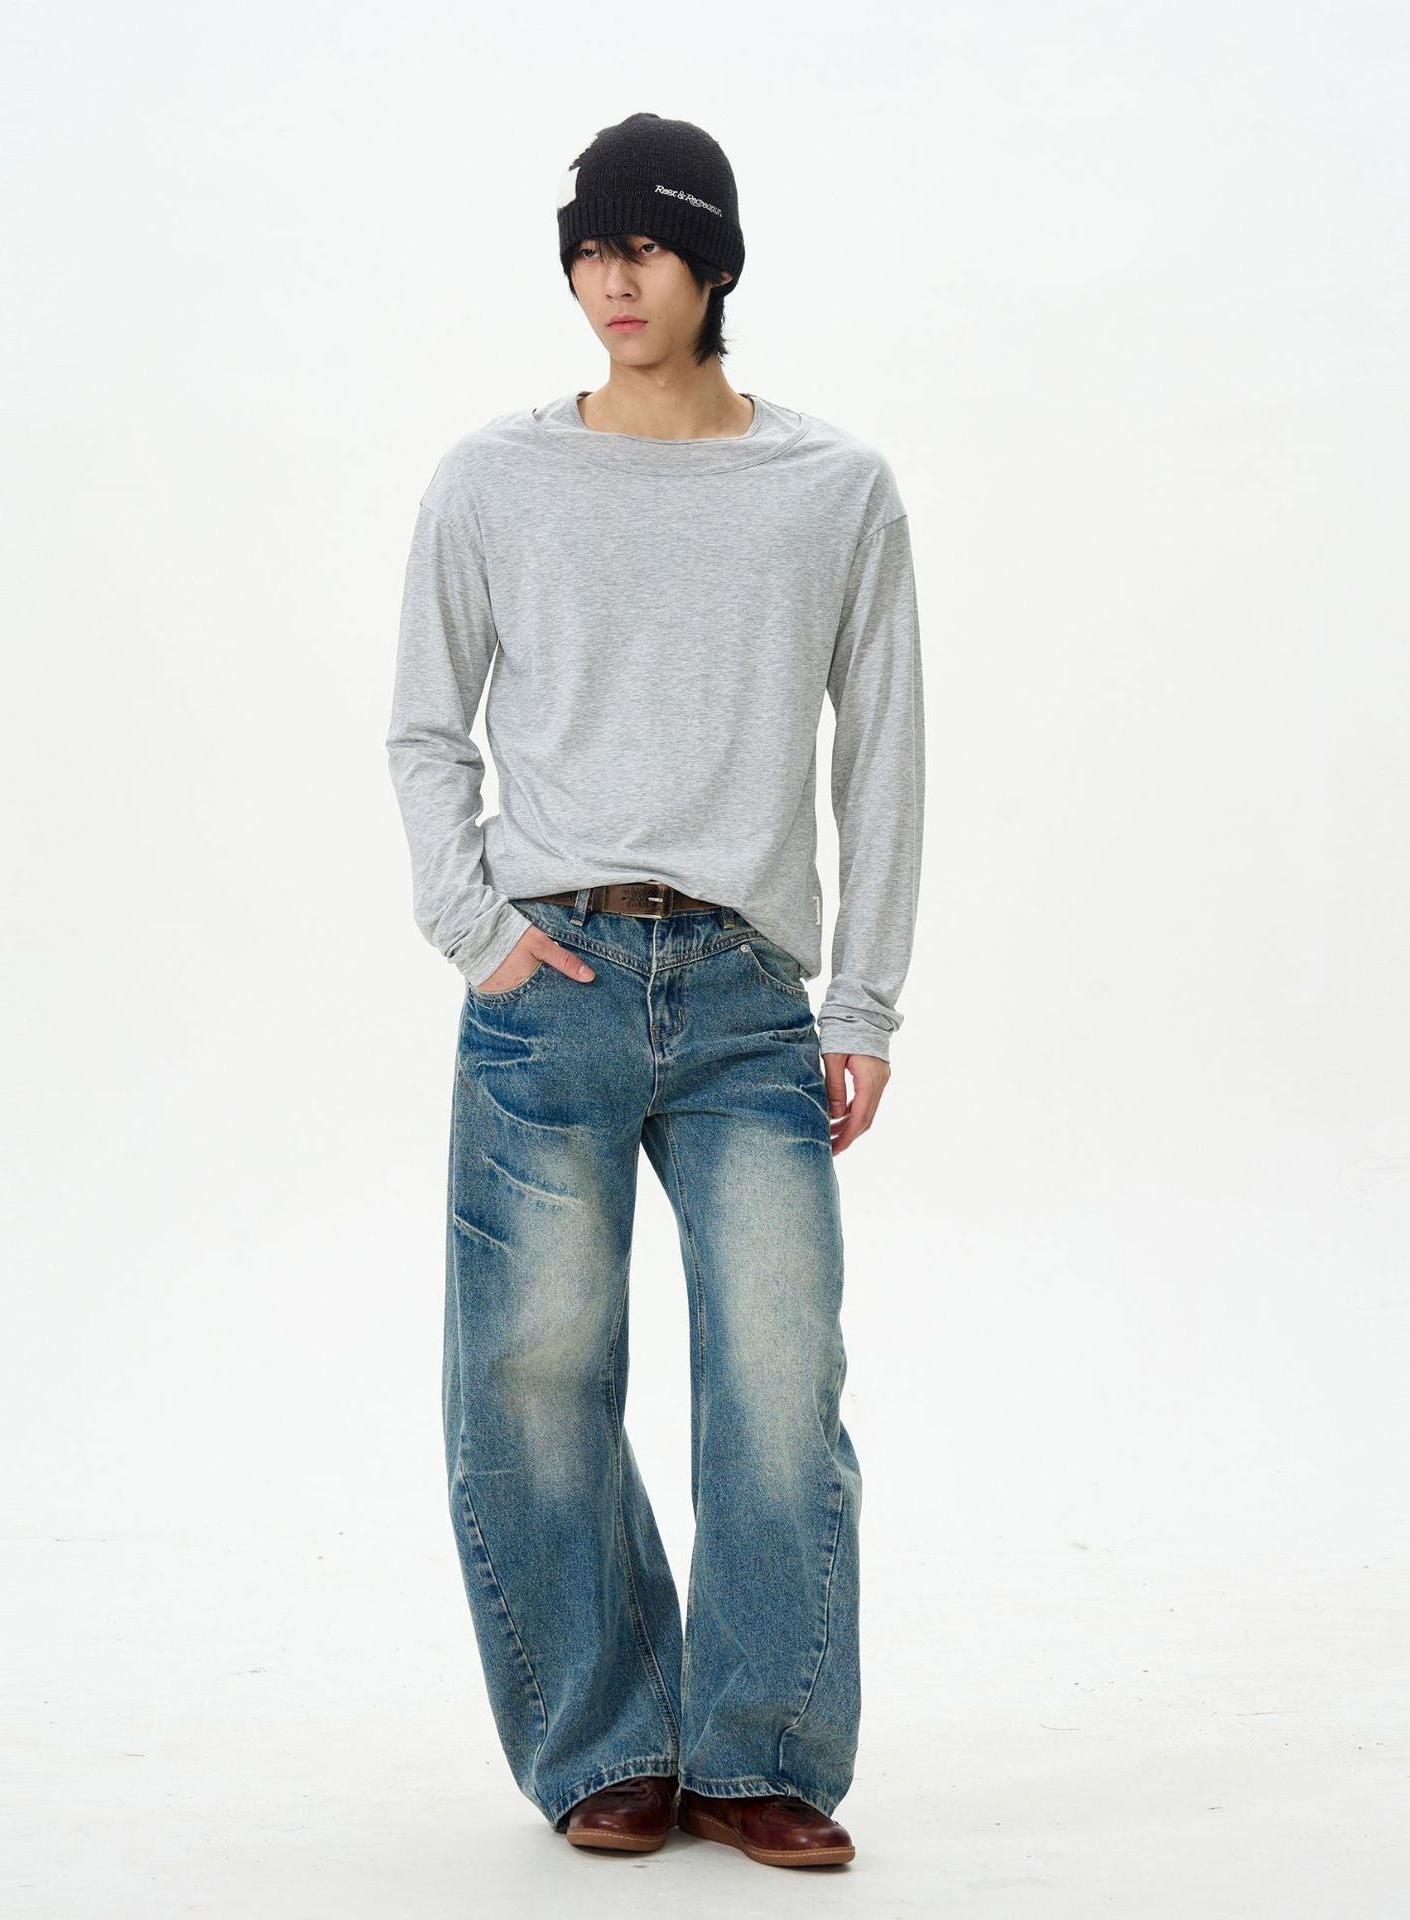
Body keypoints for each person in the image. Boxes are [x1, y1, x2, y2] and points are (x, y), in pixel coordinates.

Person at [384, 111, 925, 1870]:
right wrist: (473, 928)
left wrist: (862, 1005)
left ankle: (763, 1750)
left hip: (753, 989)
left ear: (714, 264)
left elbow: (884, 758)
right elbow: (424, 726)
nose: (611, 280)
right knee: (533, 1372)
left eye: (645, 246)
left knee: (779, 1373)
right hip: (550, 978)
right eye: (588, 250)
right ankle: (605, 1742)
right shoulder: (493, 478)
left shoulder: (833, 490)